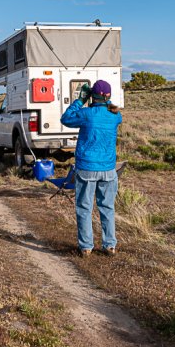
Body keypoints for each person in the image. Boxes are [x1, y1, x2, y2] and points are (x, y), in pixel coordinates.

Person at [60, 79, 122, 256]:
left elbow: (66, 118)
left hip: (87, 166)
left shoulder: (86, 114)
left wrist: (81, 99)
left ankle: (86, 247)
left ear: (92, 95)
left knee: (84, 208)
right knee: (107, 207)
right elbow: (110, 105)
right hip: (108, 169)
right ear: (108, 96)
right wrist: (103, 98)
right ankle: (109, 245)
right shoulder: (115, 115)